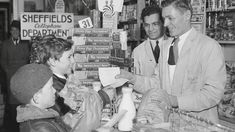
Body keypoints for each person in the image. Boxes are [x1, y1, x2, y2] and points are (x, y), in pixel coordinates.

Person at [117, 0, 226, 123]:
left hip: (199, 125)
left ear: (187, 15)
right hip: (170, 123)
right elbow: (157, 83)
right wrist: (132, 78)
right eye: (164, 18)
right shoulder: (166, 46)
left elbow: (213, 93)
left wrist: (176, 101)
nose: (166, 24)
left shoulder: (209, 47)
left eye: (170, 18)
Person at [31, 35, 112, 115]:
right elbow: (74, 117)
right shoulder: (55, 87)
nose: (73, 61)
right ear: (52, 61)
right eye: (69, 57)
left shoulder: (63, 79)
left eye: (72, 56)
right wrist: (103, 97)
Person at [11, 63, 71, 132]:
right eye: (50, 87)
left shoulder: (44, 114)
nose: (54, 90)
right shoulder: (40, 129)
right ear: (36, 98)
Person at [0, 20, 30, 132]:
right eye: (12, 30)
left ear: (20, 31)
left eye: (17, 30)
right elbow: (2, 61)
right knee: (12, 101)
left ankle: (23, 124)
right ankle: (13, 126)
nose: (15, 32)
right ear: (10, 32)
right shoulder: (5, 44)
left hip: (23, 75)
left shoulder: (26, 43)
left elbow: (28, 59)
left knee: (23, 99)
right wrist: (8, 72)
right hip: (11, 76)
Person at [132, 5, 164, 93]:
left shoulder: (174, 45)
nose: (150, 29)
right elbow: (134, 81)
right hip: (146, 100)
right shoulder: (137, 51)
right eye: (147, 25)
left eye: (155, 24)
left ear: (162, 23)